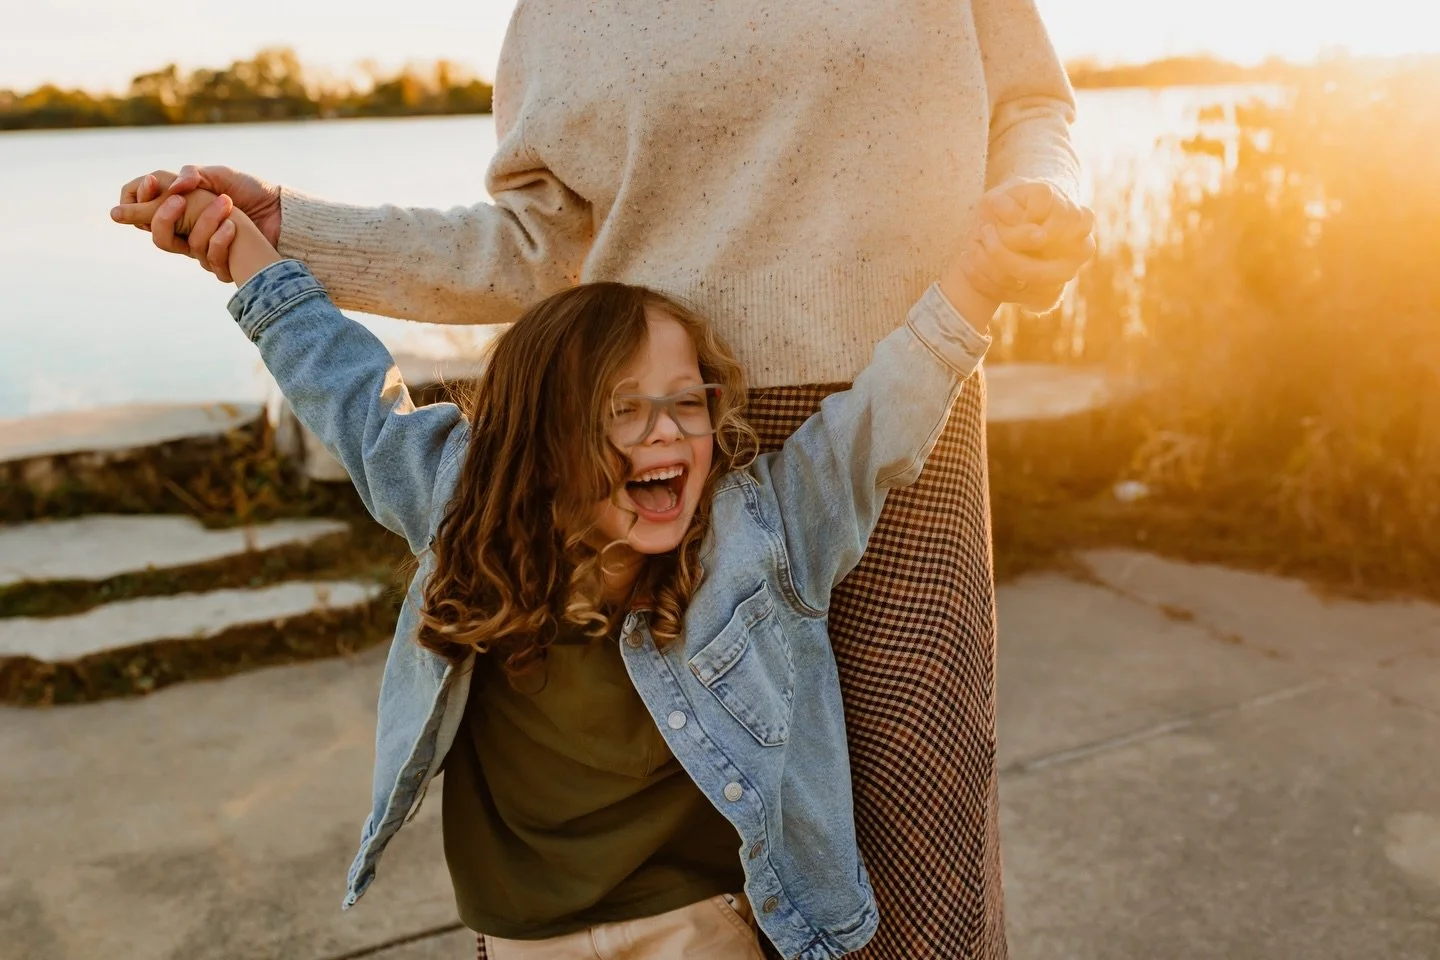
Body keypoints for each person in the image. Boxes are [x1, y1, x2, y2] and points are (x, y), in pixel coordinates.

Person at [112, 4, 1095, 955]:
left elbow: (1031, 112)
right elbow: (536, 248)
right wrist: (286, 235)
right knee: (687, 862)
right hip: (614, 439)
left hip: (881, 423)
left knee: (917, 864)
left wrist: (1030, 222)